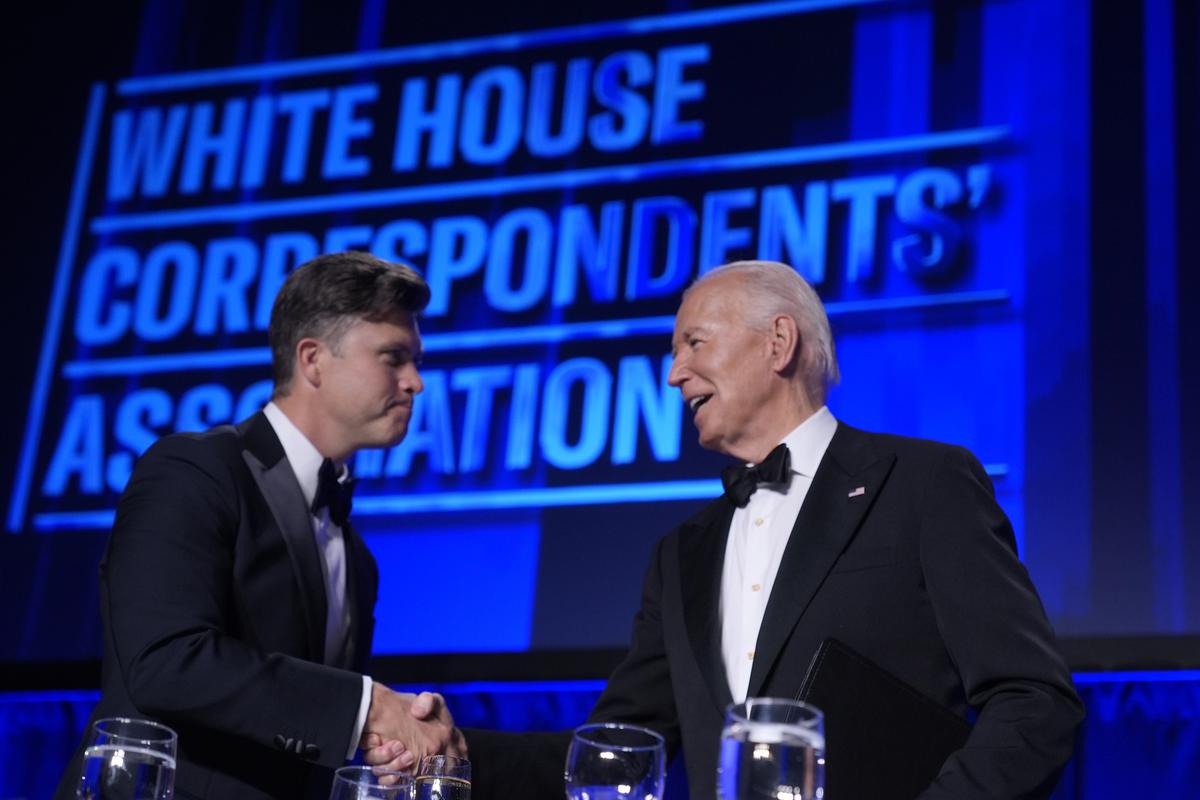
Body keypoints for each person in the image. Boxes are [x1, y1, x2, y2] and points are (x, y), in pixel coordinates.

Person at [414, 260, 1084, 799]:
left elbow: (1033, 701)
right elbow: (618, 750)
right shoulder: (681, 555)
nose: (673, 373)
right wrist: (460, 752)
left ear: (779, 342)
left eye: (693, 344)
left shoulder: (921, 483)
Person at [55, 251, 461, 800]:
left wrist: (388, 746)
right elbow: (165, 660)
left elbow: (301, 730)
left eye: (415, 361)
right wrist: (366, 708)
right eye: (394, 358)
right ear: (313, 360)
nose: (415, 382)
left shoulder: (357, 556)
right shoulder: (193, 469)